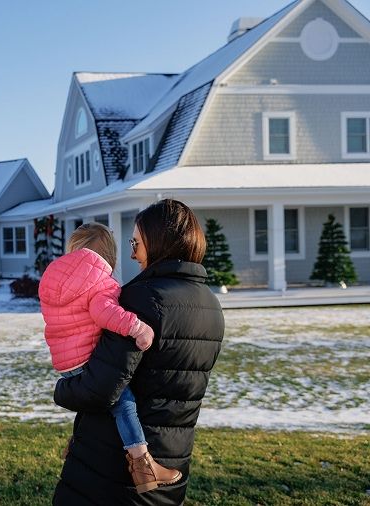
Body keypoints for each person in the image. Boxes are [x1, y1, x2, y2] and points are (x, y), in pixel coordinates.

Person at [53, 199, 224, 505]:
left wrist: (62, 390)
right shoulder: (211, 306)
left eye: (137, 242)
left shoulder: (140, 299)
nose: (132, 253)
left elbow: (101, 390)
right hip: (172, 463)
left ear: (159, 242)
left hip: (110, 472)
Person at [40, 223, 182, 493]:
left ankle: (76, 444)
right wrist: (137, 327)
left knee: (93, 398)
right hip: (87, 356)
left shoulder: (54, 277)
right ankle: (142, 465)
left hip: (64, 363)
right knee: (123, 403)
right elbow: (103, 312)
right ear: (109, 256)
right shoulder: (100, 280)